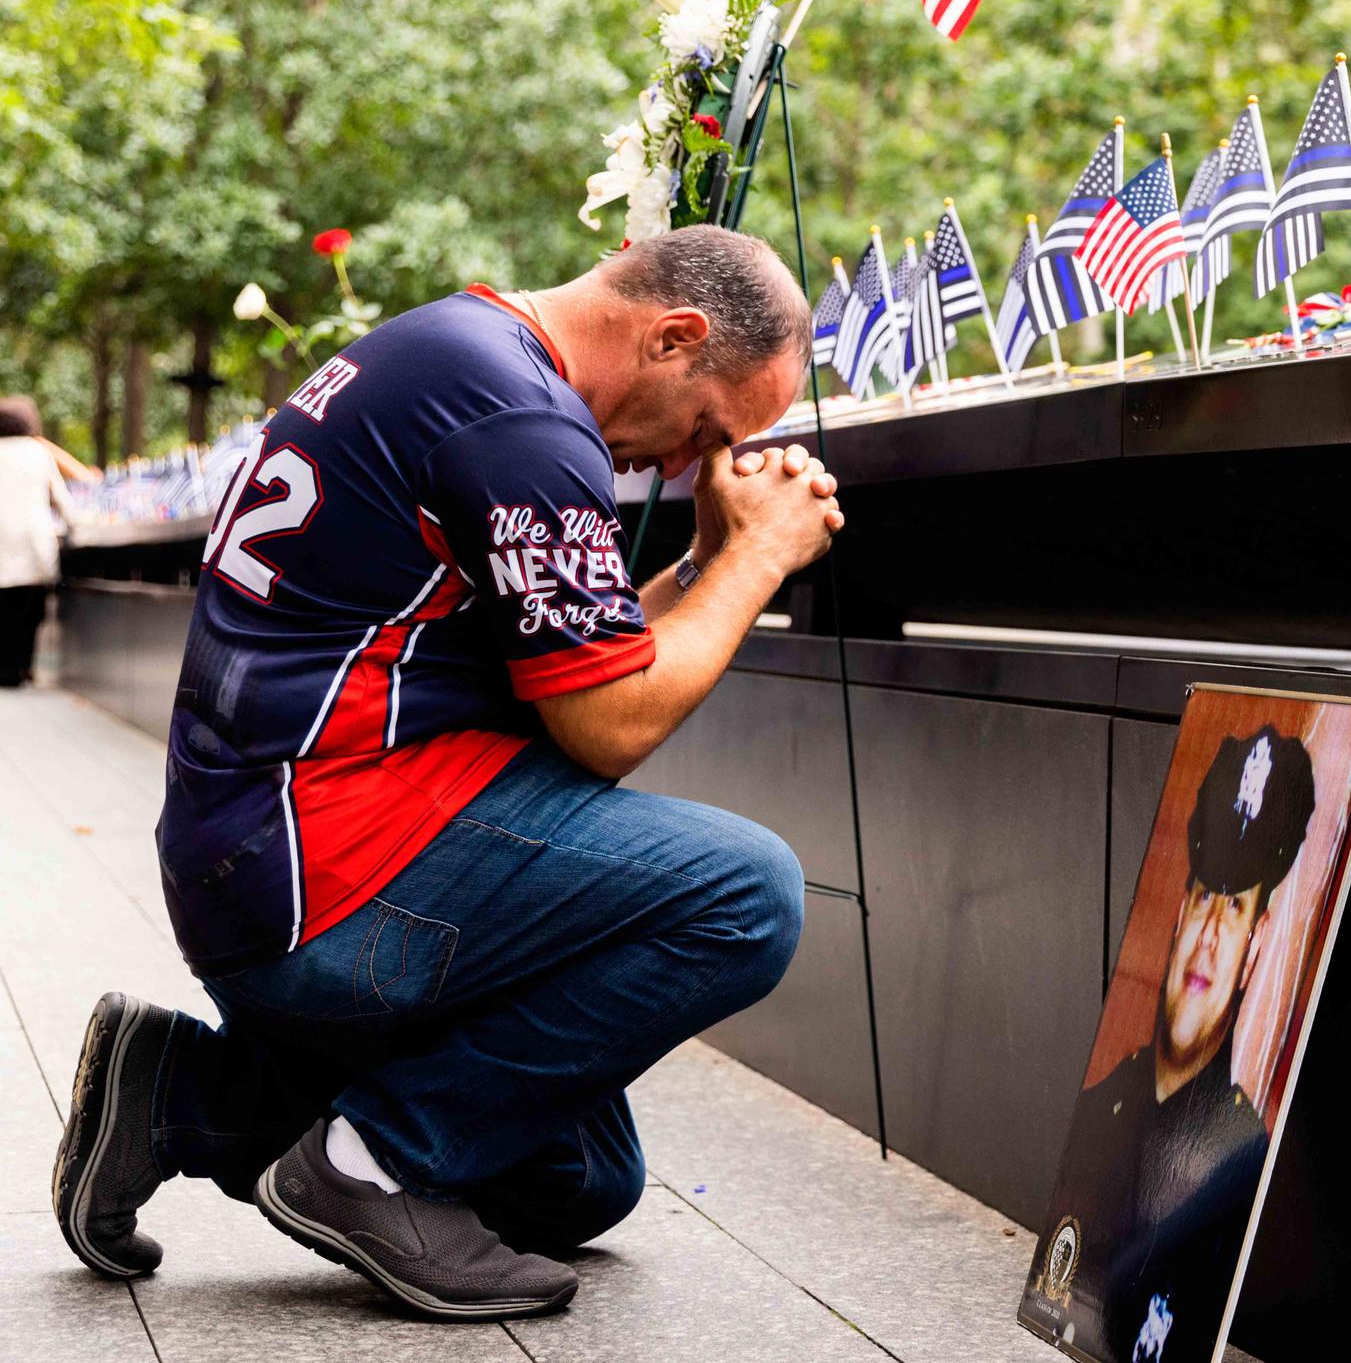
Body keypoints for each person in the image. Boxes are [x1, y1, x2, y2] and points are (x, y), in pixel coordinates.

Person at [50, 226, 843, 1320]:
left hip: (262, 857)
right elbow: (609, 724)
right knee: (747, 893)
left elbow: (580, 663)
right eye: (705, 427)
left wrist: (709, 558)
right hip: (324, 882)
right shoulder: (519, 420)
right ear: (673, 336)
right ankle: (372, 1165)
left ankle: (184, 1094)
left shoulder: (460, 352)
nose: (677, 463)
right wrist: (759, 559)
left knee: (580, 1183)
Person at [1022, 726, 1316, 1363]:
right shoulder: (1097, 1112)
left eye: (1233, 910)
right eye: (1204, 897)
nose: (1209, 934)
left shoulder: (1240, 1174)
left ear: (1254, 949)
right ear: (1180, 916)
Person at [0, 396, 79, 687]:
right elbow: (61, 497)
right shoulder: (38, 451)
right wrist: (77, 525)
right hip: (33, 543)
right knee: (29, 611)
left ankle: (4, 668)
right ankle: (23, 667)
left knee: (3, 610)